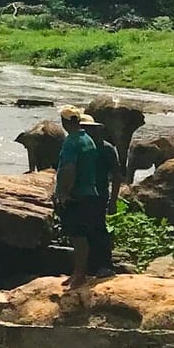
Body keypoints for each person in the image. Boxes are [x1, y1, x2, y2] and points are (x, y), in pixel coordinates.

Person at [55, 106, 107, 286]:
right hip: (89, 192)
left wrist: (63, 192)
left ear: (64, 122)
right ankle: (78, 273)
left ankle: (79, 275)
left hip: (76, 195)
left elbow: (68, 169)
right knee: (81, 235)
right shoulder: (87, 139)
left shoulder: (71, 141)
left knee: (78, 236)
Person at [81, 116, 122, 274]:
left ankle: (104, 265)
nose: (87, 132)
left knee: (98, 229)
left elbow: (117, 176)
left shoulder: (106, 149)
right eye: (84, 129)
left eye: (90, 129)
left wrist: (113, 201)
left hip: (99, 195)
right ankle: (89, 267)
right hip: (82, 194)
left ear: (97, 130)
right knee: (83, 230)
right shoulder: (81, 147)